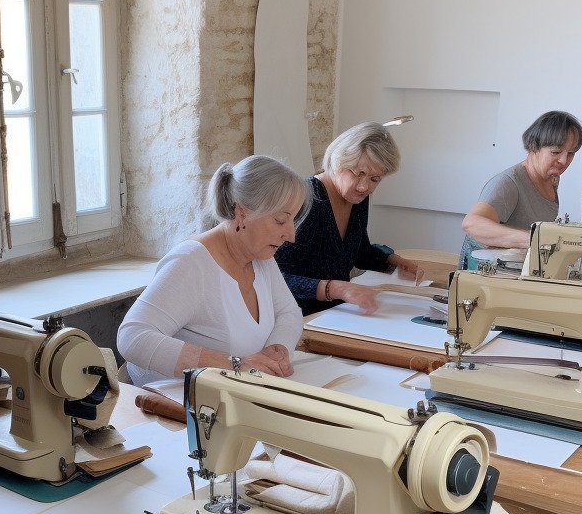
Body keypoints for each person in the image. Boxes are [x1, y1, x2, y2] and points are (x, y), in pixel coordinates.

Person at [117, 155, 310, 387]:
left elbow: (289, 313)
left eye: (292, 221)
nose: (291, 235)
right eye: (280, 221)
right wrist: (235, 365)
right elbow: (132, 337)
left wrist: (276, 350)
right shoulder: (191, 262)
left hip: (230, 396)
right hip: (170, 405)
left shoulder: (260, 257)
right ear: (242, 213)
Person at [274, 122, 419, 316]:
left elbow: (358, 251)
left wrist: (393, 261)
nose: (363, 187)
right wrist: (335, 289)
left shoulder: (357, 199)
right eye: (358, 174)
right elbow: (274, 278)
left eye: (375, 179)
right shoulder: (307, 200)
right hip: (297, 317)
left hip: (335, 313)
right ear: (338, 161)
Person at [458, 110, 582, 269]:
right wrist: (536, 239)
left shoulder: (551, 178)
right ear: (533, 146)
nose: (564, 160)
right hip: (485, 274)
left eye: (571, 153)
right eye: (556, 152)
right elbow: (472, 224)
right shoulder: (508, 183)